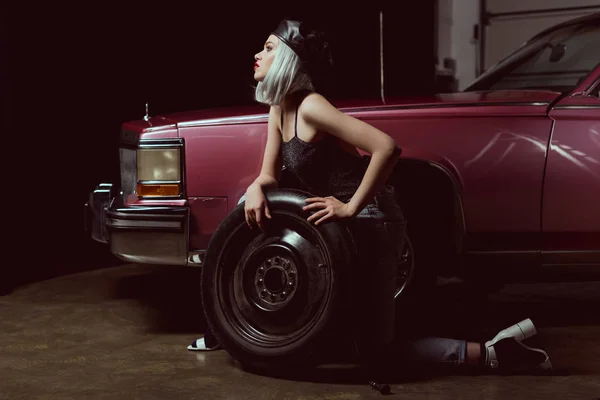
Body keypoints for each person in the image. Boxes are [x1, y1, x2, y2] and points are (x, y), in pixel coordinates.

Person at [187, 19, 552, 374]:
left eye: (268, 47)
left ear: (289, 58)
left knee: (377, 351)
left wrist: (349, 206)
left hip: (372, 221)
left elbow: (386, 148)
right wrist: (254, 188)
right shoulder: (278, 107)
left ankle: (493, 352)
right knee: (248, 210)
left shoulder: (312, 107)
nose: (257, 53)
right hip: (335, 227)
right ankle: (227, 327)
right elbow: (269, 174)